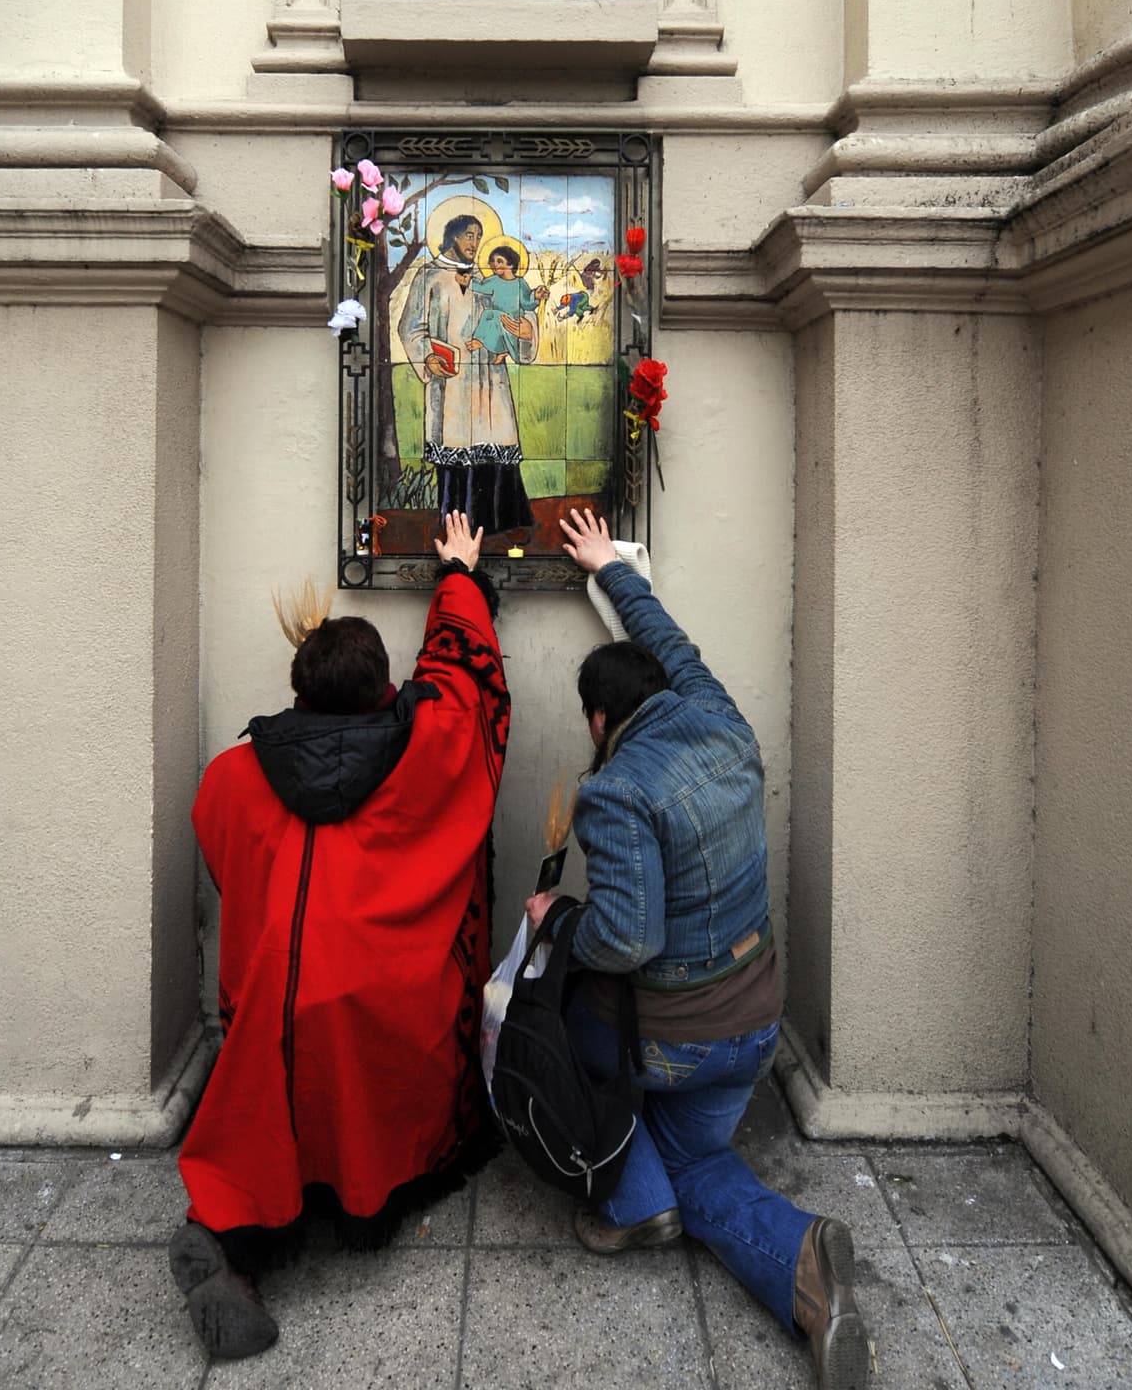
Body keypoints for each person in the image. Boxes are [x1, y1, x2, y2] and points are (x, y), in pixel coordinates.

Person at [526, 510, 870, 1390]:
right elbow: (671, 642)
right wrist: (613, 569)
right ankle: (797, 1262)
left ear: (600, 719)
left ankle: (636, 1203)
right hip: (754, 1028)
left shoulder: (615, 792)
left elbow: (626, 937)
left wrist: (553, 921)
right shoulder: (718, 716)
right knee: (698, 1155)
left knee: (551, 1012)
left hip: (676, 1044)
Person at [169, 514, 508, 1362]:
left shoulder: (235, 775)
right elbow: (465, 688)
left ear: (299, 687)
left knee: (260, 1098)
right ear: (383, 691)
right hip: (391, 1004)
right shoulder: (427, 745)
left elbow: (221, 853)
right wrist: (460, 577)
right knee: (393, 1043)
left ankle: (235, 1245)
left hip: (280, 1008)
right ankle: (346, 1195)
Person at [397, 212, 537, 537]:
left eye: (478, 236)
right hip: (451, 382)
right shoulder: (429, 276)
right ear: (452, 238)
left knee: (494, 445)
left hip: (490, 378)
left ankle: (501, 525)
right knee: (454, 448)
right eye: (468, 236)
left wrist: (526, 328)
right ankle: (456, 528)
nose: (474, 243)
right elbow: (410, 326)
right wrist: (427, 356)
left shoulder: (488, 277)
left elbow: (515, 306)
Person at [467, 243, 549, 364]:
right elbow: (480, 287)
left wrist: (536, 297)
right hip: (500, 319)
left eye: (499, 261)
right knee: (489, 315)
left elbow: (527, 304)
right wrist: (468, 281)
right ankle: (500, 350)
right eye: (492, 261)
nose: (495, 264)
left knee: (491, 315)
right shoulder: (493, 281)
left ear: (510, 264)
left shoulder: (520, 283)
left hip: (515, 322)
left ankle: (480, 341)